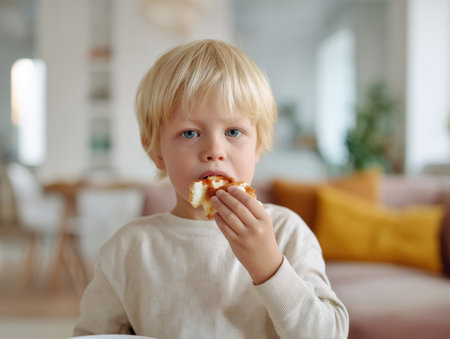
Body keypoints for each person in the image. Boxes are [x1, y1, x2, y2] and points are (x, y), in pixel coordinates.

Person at [73, 39, 349, 338]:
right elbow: (92, 333)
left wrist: (269, 266)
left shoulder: (286, 233)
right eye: (189, 133)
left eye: (233, 131)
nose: (214, 150)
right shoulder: (128, 249)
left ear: (258, 145)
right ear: (156, 149)